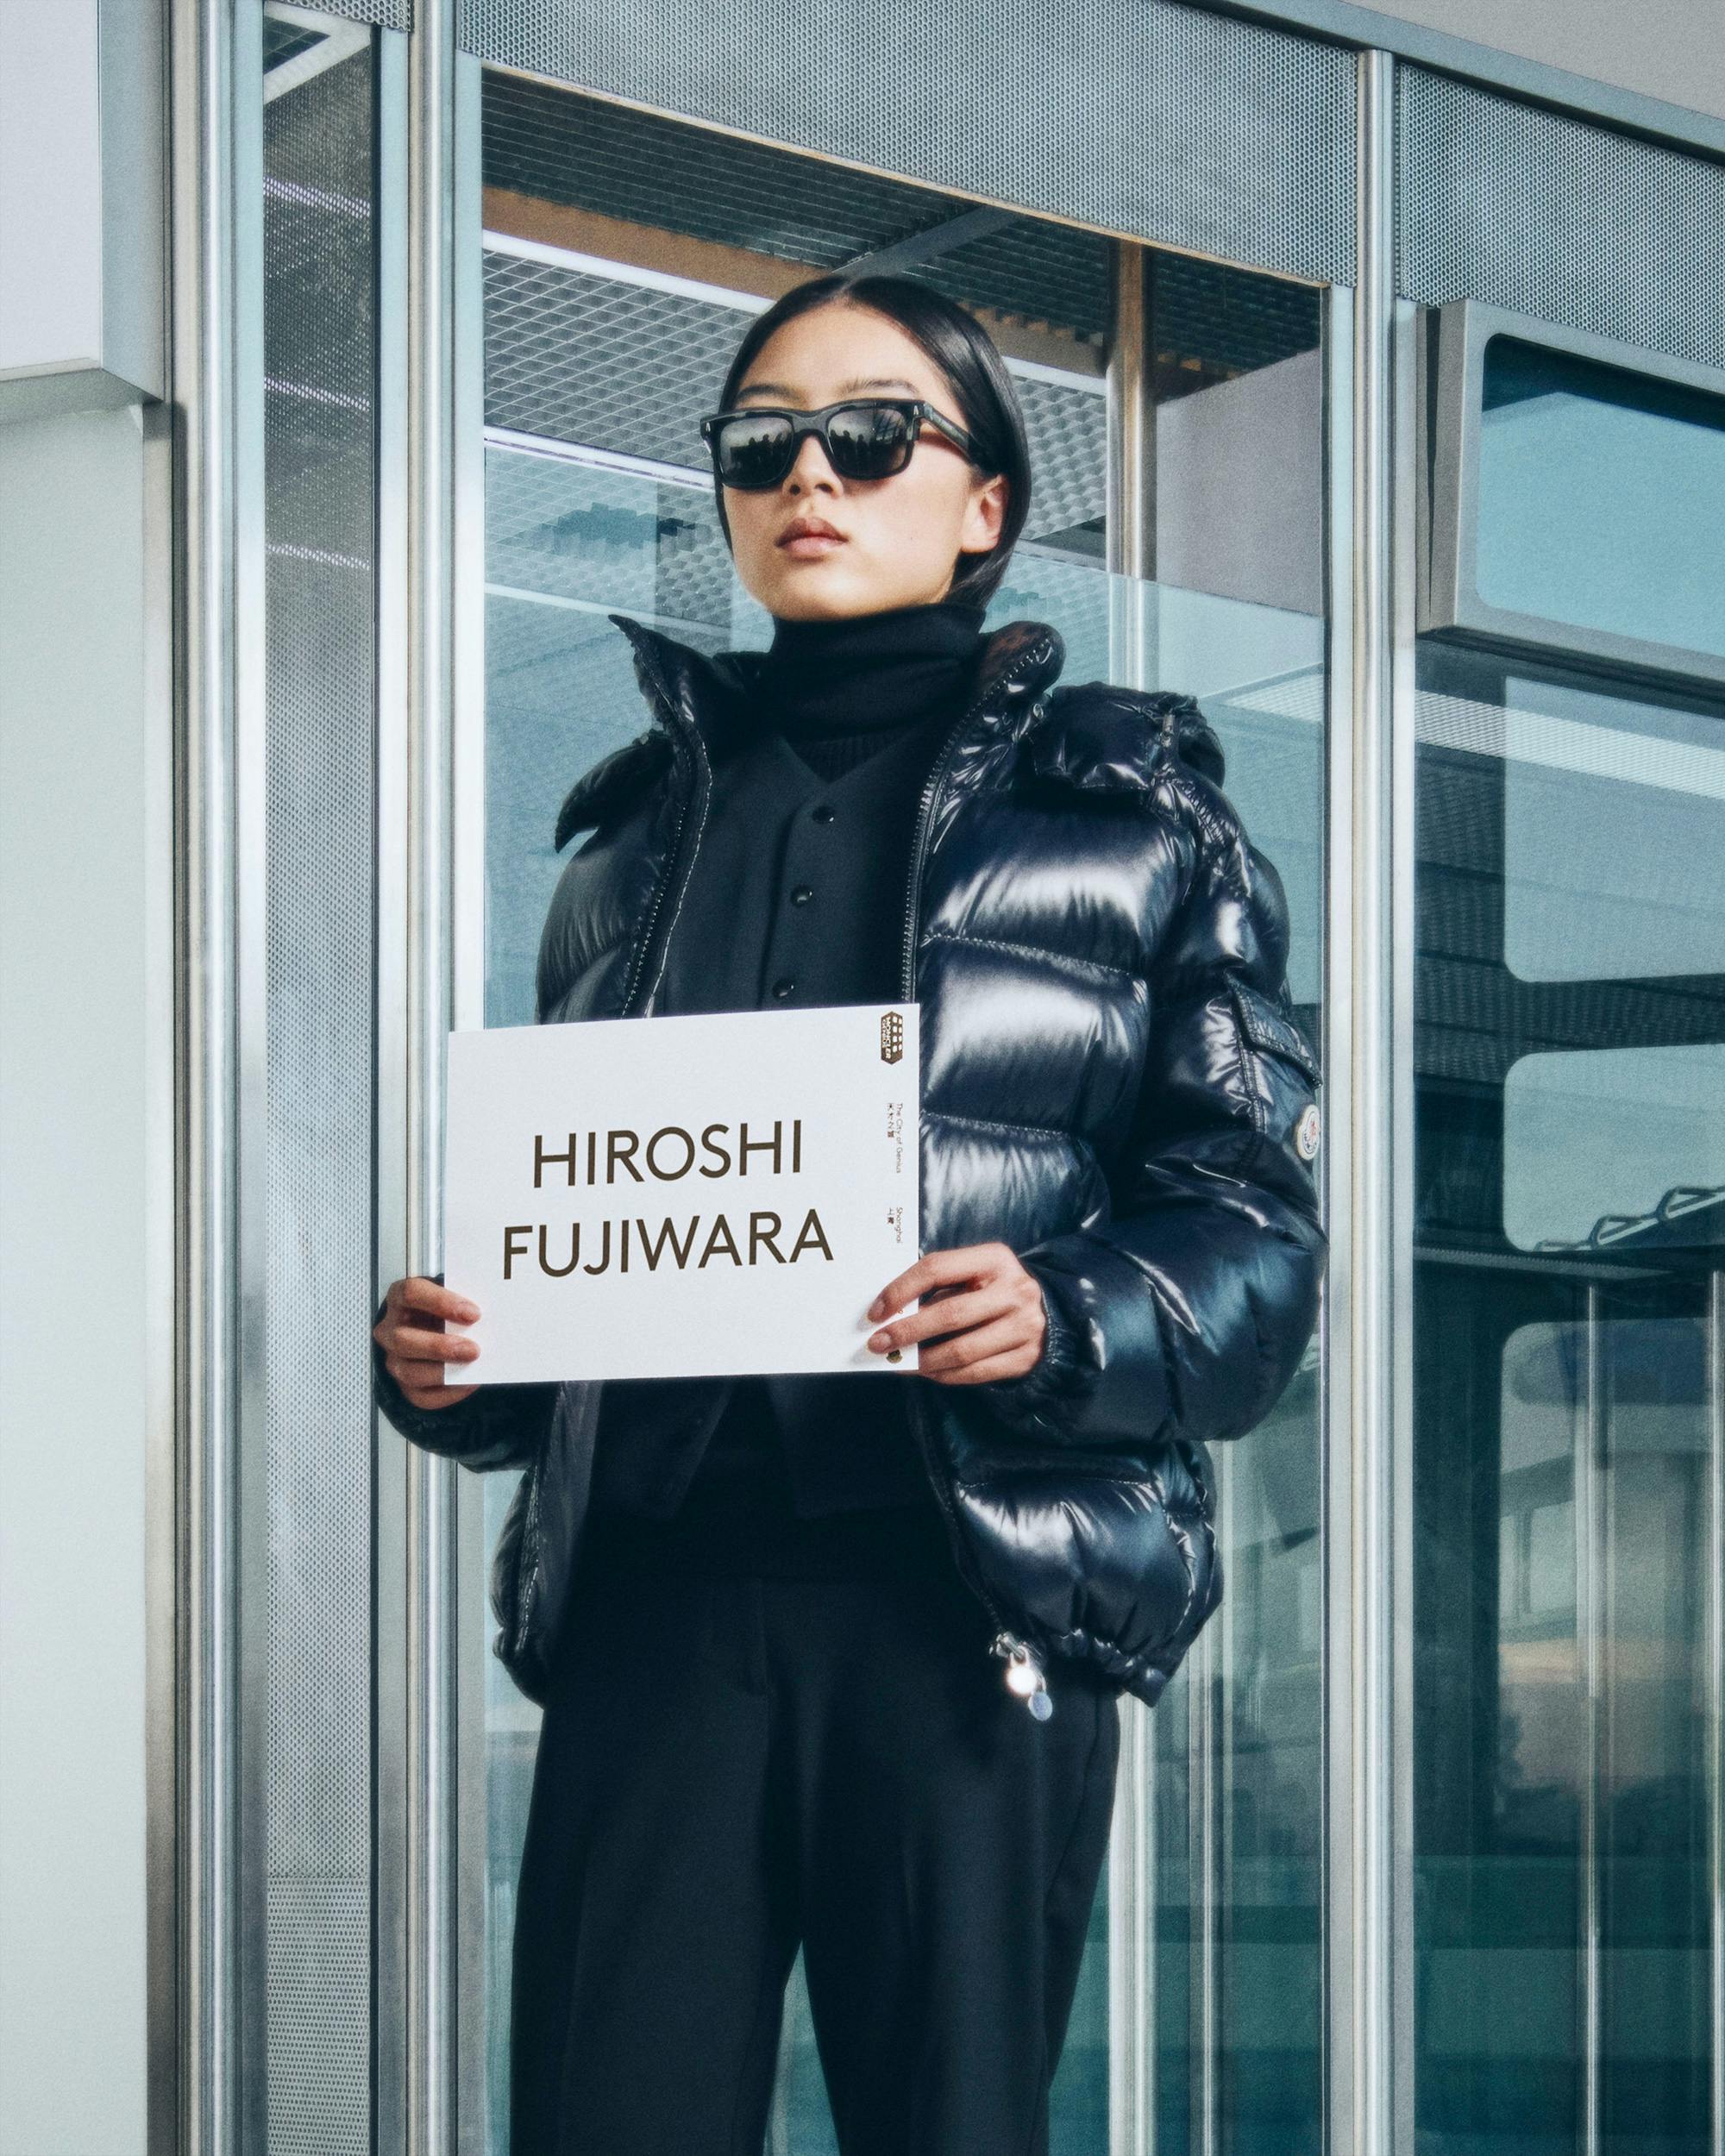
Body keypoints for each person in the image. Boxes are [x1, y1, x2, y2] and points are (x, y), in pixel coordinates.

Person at [372, 269, 1326, 2156]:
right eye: (762, 441)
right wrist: (457, 1358)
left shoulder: (1140, 821)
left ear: (981, 504)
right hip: (650, 1597)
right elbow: (592, 1236)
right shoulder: (622, 843)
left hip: (961, 1594)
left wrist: (1065, 1315)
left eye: (873, 433)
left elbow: (1254, 1240)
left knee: (945, 2127)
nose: (812, 471)